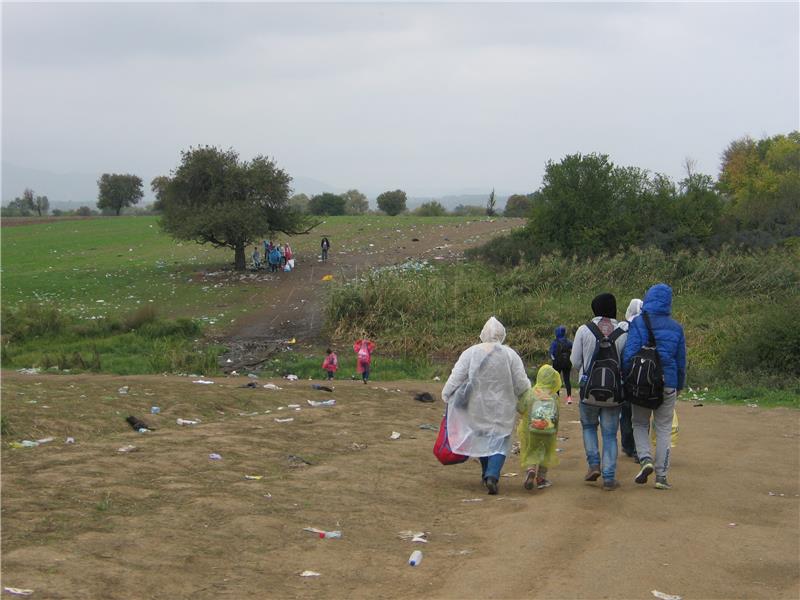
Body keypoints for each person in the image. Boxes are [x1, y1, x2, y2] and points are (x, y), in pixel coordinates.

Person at [441, 317, 531, 495]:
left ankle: (485, 473)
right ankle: (492, 475)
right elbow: (521, 382)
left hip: (477, 405)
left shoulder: (471, 352)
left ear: (483, 334)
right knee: (501, 440)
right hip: (503, 406)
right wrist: (526, 396)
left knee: (481, 439)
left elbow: (457, 375)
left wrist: (447, 393)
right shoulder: (510, 354)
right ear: (502, 334)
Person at [623, 283, 686, 490]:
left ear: (648, 298)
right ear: (668, 303)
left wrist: (628, 378)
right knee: (664, 428)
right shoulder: (676, 328)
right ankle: (662, 476)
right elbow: (680, 361)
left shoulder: (639, 323)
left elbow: (629, 354)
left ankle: (645, 459)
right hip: (667, 383)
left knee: (640, 423)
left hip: (642, 383)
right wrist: (679, 384)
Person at [570, 293, 628, 491]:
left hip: (589, 392)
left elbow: (575, 362)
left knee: (588, 427)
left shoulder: (584, 330)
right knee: (610, 434)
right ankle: (609, 478)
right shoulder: (623, 331)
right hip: (614, 393)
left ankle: (594, 465)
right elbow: (626, 363)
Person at [517, 364, 561, 491]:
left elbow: (520, 408)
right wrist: (555, 431)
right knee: (545, 452)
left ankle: (530, 470)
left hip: (530, 430)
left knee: (531, 449)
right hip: (548, 431)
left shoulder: (531, 393)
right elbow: (556, 416)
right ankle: (541, 478)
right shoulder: (554, 396)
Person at [620, 298, 643, 460]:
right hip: (643, 376)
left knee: (626, 413)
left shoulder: (622, 328)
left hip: (625, 375)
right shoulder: (647, 327)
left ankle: (628, 446)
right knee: (641, 415)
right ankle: (639, 449)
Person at [549, 325, 573, 404]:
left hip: (557, 364)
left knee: (557, 380)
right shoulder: (569, 342)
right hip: (567, 363)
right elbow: (574, 348)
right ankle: (569, 397)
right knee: (567, 380)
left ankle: (557, 397)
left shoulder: (554, 342)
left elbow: (551, 354)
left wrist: (554, 360)